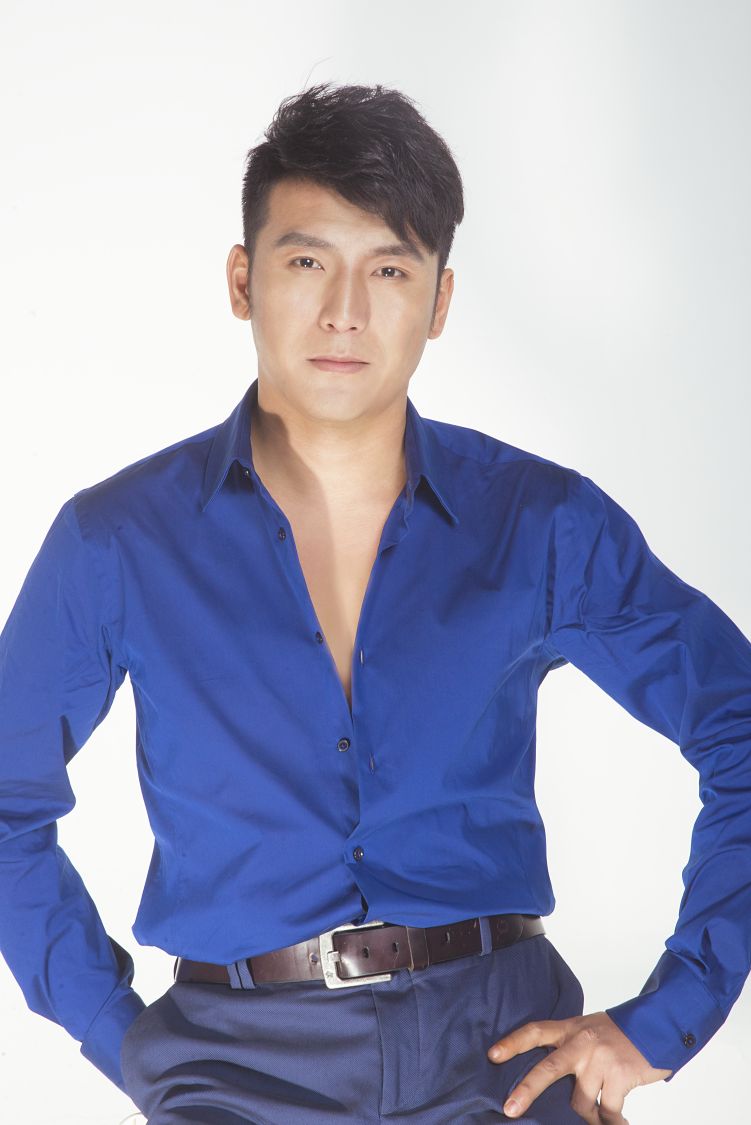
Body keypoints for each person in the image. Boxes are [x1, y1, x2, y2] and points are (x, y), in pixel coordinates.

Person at [1, 81, 750, 1125]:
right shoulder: (116, 540)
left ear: (439, 302)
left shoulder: (540, 522)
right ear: (242, 280)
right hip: (234, 1069)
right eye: (307, 262)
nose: (344, 312)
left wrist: (664, 1018)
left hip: (499, 1056)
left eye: (389, 269)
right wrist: (120, 1036)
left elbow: (738, 722)